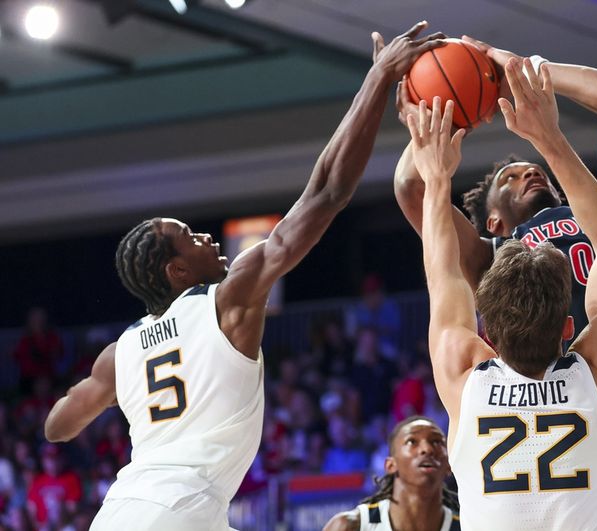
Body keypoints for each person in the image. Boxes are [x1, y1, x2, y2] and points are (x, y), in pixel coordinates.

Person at [42, 22, 444, 531]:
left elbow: (59, 426)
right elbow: (326, 192)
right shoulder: (226, 300)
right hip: (180, 513)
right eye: (190, 236)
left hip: (122, 511)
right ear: (178, 270)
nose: (208, 238)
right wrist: (379, 78)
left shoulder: (119, 354)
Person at [394, 37, 597, 530]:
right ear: (495, 225)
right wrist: (462, 103)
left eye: (532, 168)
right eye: (509, 179)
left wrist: (514, 72)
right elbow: (411, 189)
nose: (528, 170)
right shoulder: (492, 258)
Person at [324, 417, 459, 531]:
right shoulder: (351, 526)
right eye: (412, 441)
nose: (427, 449)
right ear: (391, 465)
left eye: (436, 442)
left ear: (449, 466)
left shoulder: (467, 527)